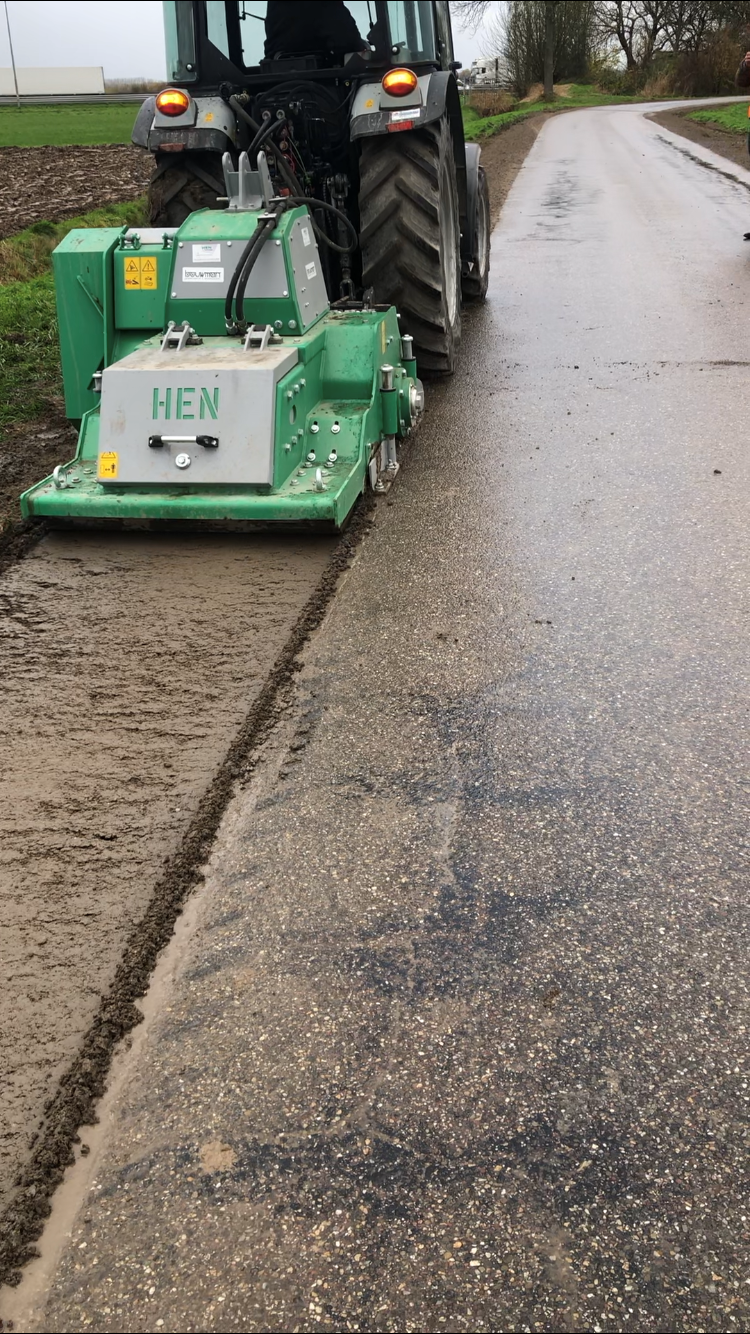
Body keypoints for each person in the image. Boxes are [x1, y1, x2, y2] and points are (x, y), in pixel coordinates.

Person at [264, 1, 370, 61]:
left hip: (276, 72)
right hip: (324, 79)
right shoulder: (327, 5)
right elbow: (346, 40)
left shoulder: (275, 7)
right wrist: (361, 47)